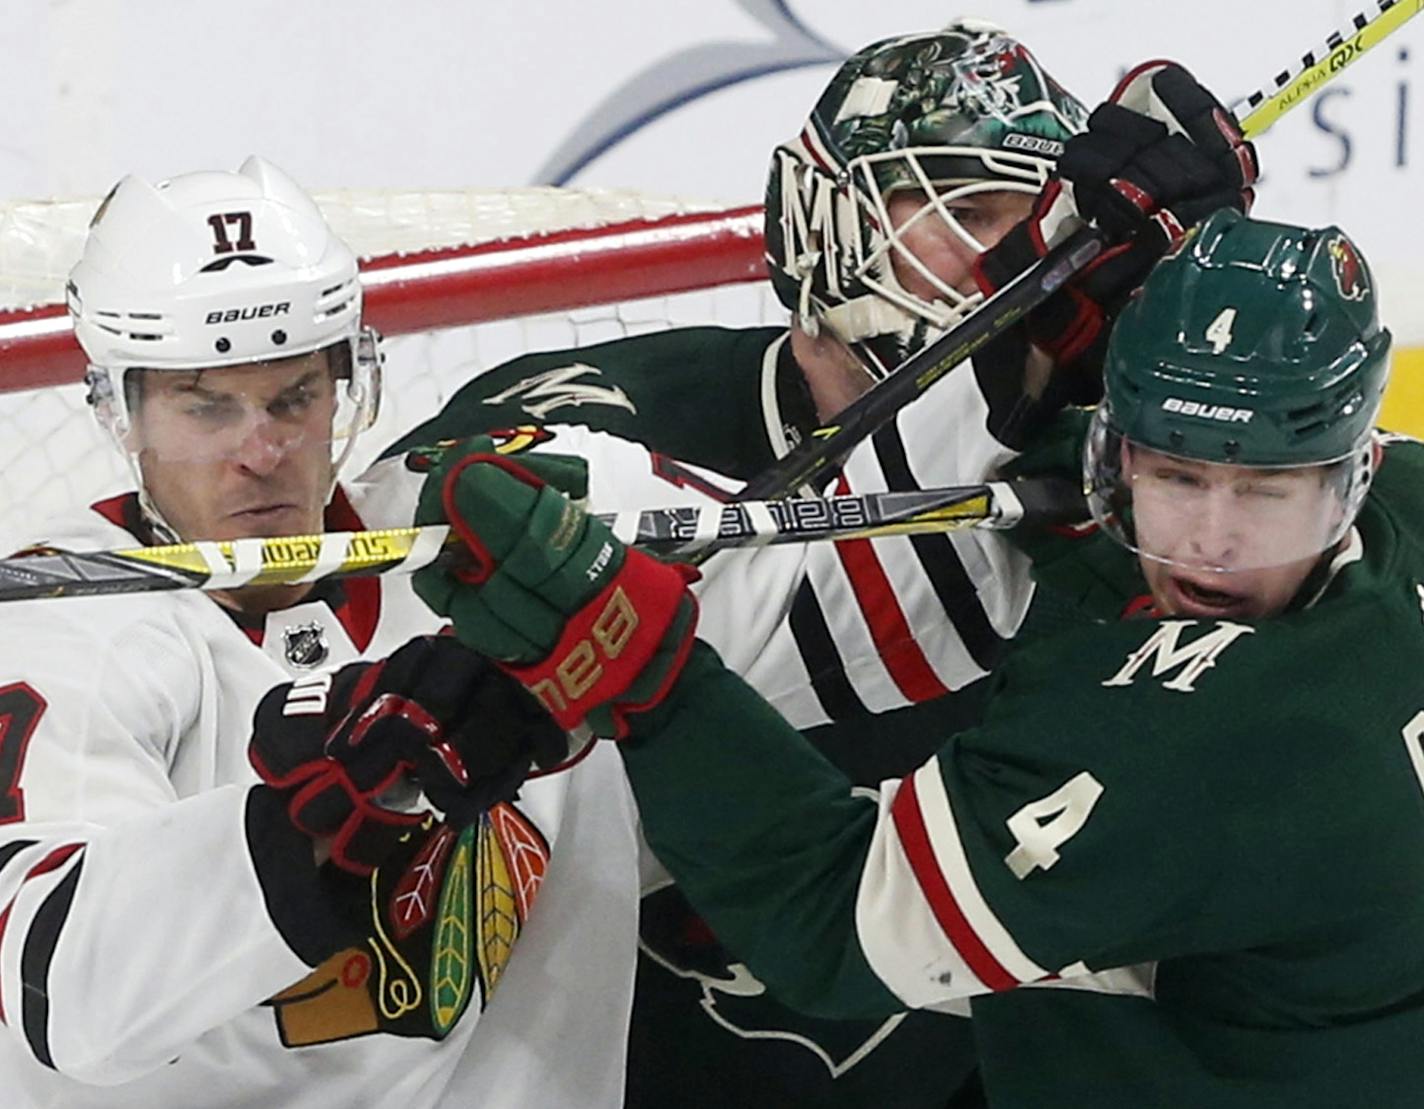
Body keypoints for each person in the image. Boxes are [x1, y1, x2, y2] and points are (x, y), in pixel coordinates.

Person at [390, 22, 1256, 1107]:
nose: (1016, 256)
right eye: (974, 210)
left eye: (1043, 224)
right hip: (627, 1059)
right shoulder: (607, 410)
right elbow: (468, 557)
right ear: (825, 218)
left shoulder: (1088, 465)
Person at [411, 208, 1423, 1107]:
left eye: (1262, 493)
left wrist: (643, 671)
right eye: (1174, 475)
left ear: (1349, 468)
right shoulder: (1404, 504)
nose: (1208, 540)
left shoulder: (1219, 743)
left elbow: (829, 918)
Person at [0, 157, 643, 1108]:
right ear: (121, 409)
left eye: (294, 398)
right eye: (205, 404)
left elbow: (875, 609)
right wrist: (322, 807)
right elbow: (60, 985)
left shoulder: (496, 533)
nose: (260, 453)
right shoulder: (64, 628)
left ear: (347, 384)